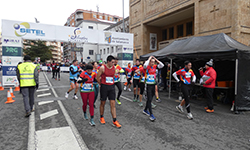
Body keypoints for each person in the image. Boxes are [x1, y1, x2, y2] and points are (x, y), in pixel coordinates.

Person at [96, 55, 121, 128]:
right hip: (104, 87)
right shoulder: (102, 68)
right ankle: (101, 117)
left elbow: (115, 75)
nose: (114, 63)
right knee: (102, 103)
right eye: (112, 62)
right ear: (108, 62)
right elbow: (97, 77)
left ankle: (114, 120)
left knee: (113, 104)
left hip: (112, 87)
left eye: (114, 62)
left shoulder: (115, 68)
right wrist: (101, 84)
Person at [140, 56, 164, 121]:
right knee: (149, 99)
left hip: (153, 84)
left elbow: (162, 65)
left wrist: (156, 59)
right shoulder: (146, 67)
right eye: (152, 62)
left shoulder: (155, 67)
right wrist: (149, 58)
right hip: (148, 85)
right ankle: (151, 114)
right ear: (149, 62)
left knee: (150, 99)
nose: (153, 63)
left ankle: (145, 110)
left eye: (154, 62)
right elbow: (145, 65)